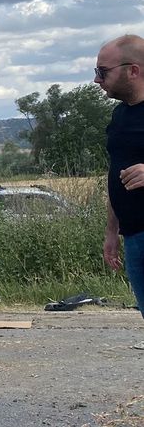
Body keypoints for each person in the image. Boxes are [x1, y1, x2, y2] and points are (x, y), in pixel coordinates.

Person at [98, 34, 144, 315]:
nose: (96, 80)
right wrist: (112, 231)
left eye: (103, 72)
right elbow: (116, 171)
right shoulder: (120, 115)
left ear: (134, 70)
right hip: (134, 235)